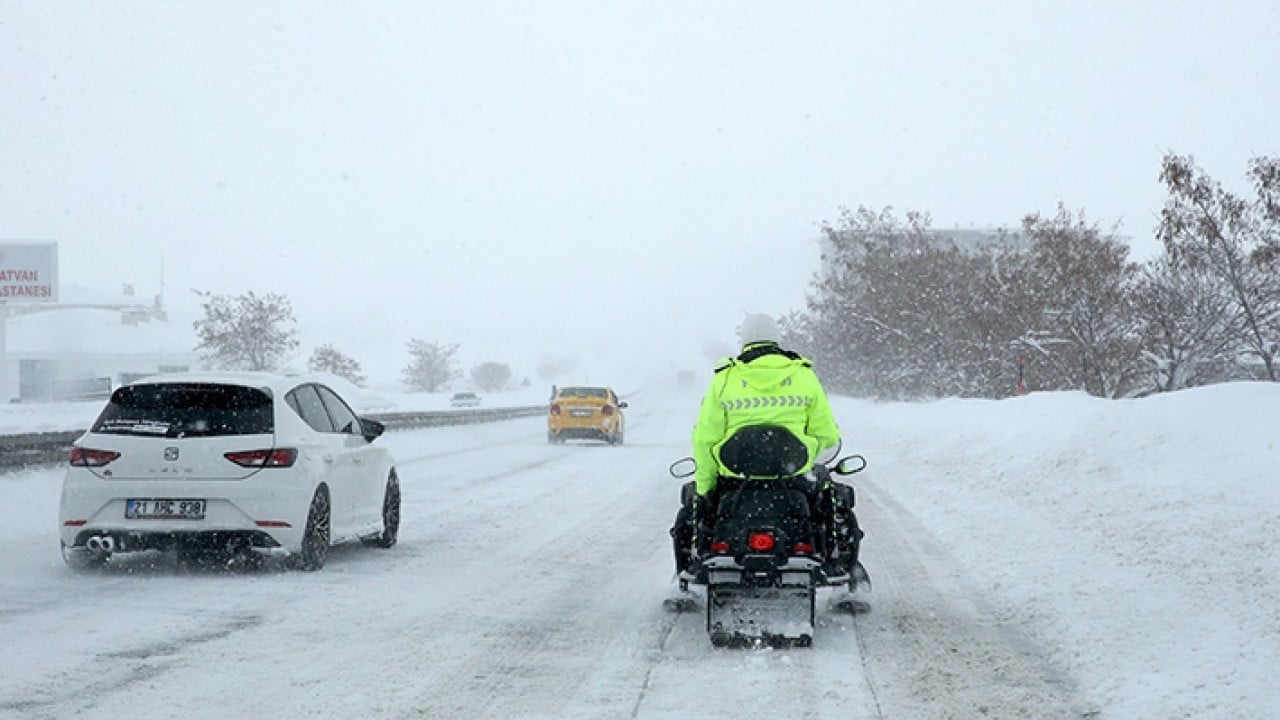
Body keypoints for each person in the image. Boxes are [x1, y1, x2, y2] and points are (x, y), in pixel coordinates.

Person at [670, 313, 863, 578]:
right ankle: (839, 566)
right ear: (776, 338)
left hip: (734, 482)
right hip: (794, 479)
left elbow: (705, 439)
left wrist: (705, 490)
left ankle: (688, 570)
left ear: (744, 341)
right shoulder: (804, 376)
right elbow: (827, 435)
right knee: (835, 502)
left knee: (689, 512)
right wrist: (806, 457)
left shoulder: (724, 379)